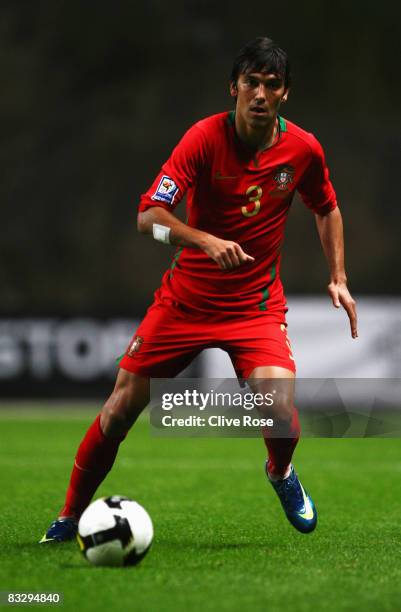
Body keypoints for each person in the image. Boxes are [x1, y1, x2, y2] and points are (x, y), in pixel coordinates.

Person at [40, 36, 357, 542]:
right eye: (250, 82)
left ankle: (279, 472)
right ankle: (69, 515)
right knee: (120, 408)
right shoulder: (203, 139)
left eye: (271, 85)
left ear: (284, 95)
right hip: (185, 302)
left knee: (279, 407)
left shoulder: (303, 149)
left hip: (254, 306)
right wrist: (202, 239)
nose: (259, 93)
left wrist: (338, 277)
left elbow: (326, 207)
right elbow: (148, 217)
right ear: (233, 86)